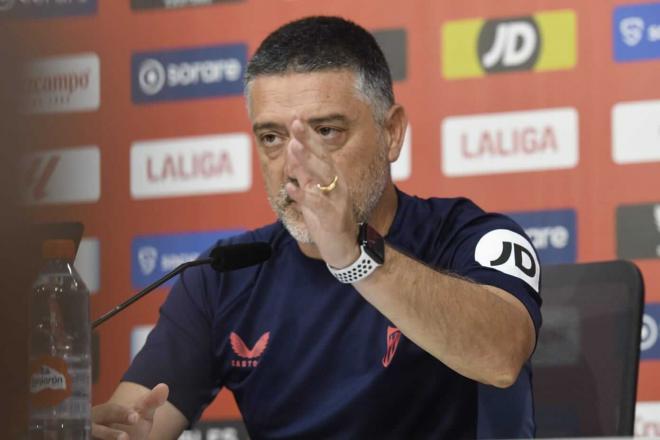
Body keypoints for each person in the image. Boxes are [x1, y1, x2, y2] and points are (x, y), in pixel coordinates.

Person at [92, 16, 542, 439]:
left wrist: (355, 256)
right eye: (272, 138)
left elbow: (502, 355)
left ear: (392, 134)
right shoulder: (222, 276)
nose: (295, 166)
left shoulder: (467, 236)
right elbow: (138, 421)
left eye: (325, 132)